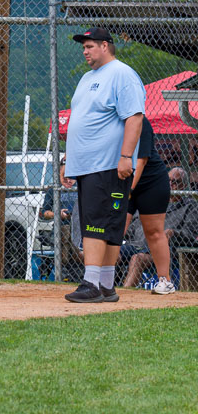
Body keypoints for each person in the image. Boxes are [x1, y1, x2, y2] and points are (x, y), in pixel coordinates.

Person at [61, 27, 145, 304]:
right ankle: (106, 285)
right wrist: (67, 161)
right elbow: (81, 120)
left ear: (106, 46)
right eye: (83, 47)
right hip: (87, 165)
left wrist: (125, 157)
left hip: (108, 164)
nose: (85, 51)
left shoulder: (122, 74)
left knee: (97, 224)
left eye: (90, 46)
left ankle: (91, 283)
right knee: (104, 224)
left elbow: (134, 118)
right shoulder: (87, 78)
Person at [116, 117, 175, 293]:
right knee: (116, 229)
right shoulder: (111, 121)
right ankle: (102, 279)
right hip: (124, 181)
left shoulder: (141, 122)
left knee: (154, 232)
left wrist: (130, 190)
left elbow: (141, 160)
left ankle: (165, 281)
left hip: (151, 182)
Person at [123, 167, 196, 291]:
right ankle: (81, 258)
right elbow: (133, 225)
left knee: (138, 259)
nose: (170, 184)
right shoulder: (153, 200)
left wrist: (173, 233)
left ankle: (124, 293)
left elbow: (190, 234)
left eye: (175, 182)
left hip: (162, 251)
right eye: (168, 180)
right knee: (112, 252)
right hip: (135, 244)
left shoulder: (190, 206)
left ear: (183, 186)